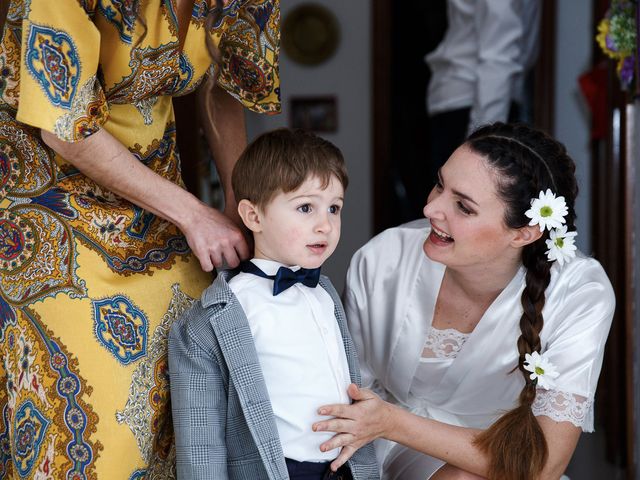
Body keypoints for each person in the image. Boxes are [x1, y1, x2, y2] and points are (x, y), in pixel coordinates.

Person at [0, 0, 279, 477]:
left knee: (206, 389)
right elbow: (65, 131)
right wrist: (195, 215)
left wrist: (242, 204)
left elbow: (223, 84)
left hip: (160, 205)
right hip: (45, 212)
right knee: (98, 422)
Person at [312, 123, 615, 480]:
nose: (430, 209)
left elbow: (544, 464)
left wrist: (393, 422)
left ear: (523, 233)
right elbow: (346, 390)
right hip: (383, 446)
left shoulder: (579, 293)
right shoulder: (383, 260)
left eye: (464, 207)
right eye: (440, 184)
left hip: (512, 466)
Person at [168, 129, 379, 480]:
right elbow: (201, 439)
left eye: (334, 208)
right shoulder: (218, 312)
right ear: (253, 217)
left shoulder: (324, 293)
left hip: (341, 470)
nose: (325, 224)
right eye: (305, 207)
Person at [425, 0, 541, 187]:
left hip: (476, 101)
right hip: (478, 101)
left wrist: (481, 143)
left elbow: (500, 53)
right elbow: (503, 53)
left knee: (460, 203)